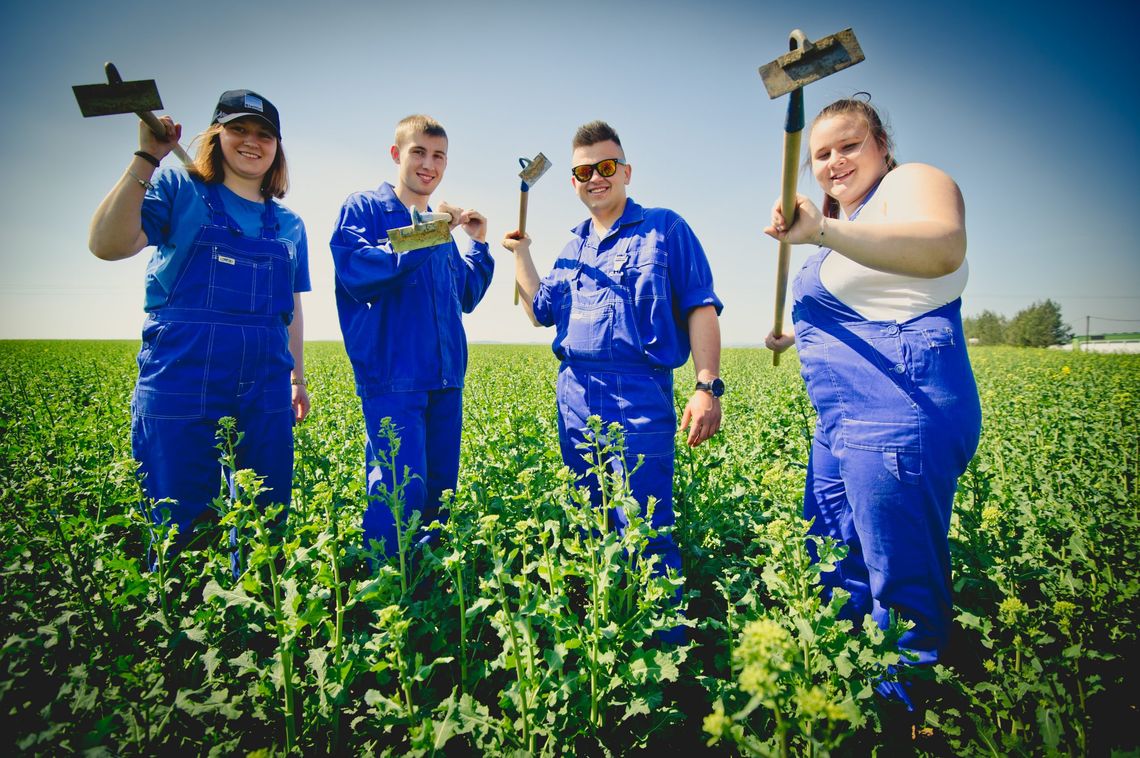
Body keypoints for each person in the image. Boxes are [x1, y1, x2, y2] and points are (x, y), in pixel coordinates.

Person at [764, 95, 981, 684]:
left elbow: (942, 246)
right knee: (834, 556)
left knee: (900, 577)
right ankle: (842, 689)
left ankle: (901, 711)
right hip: (841, 420)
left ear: (882, 145)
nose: (834, 162)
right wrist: (793, 332)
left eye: (849, 145)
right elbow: (861, 303)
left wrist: (823, 229)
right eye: (821, 154)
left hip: (897, 407)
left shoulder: (911, 183)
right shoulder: (847, 225)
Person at [502, 121, 723, 641]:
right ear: (572, 181)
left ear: (625, 170)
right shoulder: (572, 245)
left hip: (640, 392)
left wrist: (706, 384)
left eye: (605, 167)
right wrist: (520, 254)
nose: (595, 179)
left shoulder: (665, 229)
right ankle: (608, 636)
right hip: (575, 394)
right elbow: (540, 311)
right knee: (590, 523)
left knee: (645, 526)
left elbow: (700, 305)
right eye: (583, 171)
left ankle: (666, 657)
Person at [88, 90, 310, 556]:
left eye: (264, 134)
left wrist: (298, 378)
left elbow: (290, 307)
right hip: (183, 374)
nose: (252, 142)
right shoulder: (179, 190)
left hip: (265, 380)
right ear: (216, 136)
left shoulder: (289, 224)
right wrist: (147, 156)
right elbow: (107, 243)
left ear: (277, 147)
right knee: (181, 523)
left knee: (264, 522)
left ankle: (255, 625)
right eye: (239, 129)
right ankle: (187, 627)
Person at [330, 114, 493, 559]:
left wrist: (476, 244)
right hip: (393, 379)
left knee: (439, 498)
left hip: (444, 379)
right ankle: (387, 602)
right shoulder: (365, 208)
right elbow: (360, 271)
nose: (429, 164)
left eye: (439, 155)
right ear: (397, 154)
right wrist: (435, 228)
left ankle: (429, 598)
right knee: (398, 498)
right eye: (418, 152)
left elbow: (465, 294)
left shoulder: (438, 231)